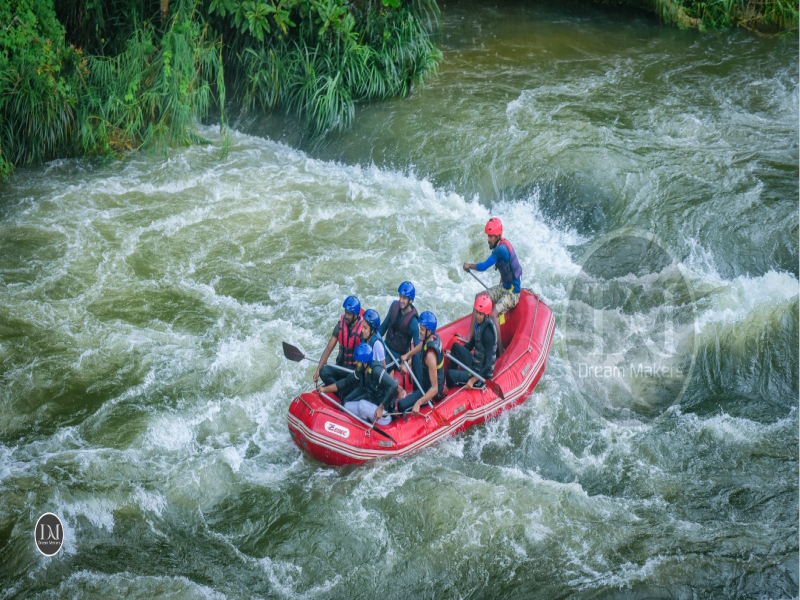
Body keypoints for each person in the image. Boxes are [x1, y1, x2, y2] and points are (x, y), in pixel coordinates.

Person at [462, 217, 522, 355]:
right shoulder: (502, 244)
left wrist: (469, 265)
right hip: (505, 287)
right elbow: (509, 266)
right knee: (479, 297)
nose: (488, 239)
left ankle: (500, 351)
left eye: (491, 236)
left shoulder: (500, 249)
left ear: (498, 236)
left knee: (494, 313)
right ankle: (470, 336)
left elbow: (483, 266)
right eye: (488, 236)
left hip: (513, 293)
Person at [381, 311, 444, 418]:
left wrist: (418, 403)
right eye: (420, 328)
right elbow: (421, 346)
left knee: (401, 405)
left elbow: (435, 388)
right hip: (424, 380)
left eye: (422, 329)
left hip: (429, 391)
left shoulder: (431, 357)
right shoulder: (431, 337)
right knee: (415, 356)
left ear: (429, 331)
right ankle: (415, 393)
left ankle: (418, 399)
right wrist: (408, 355)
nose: (419, 331)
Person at [318, 343, 399, 426]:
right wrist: (324, 389)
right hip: (372, 404)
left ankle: (365, 426)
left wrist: (381, 408)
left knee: (362, 405)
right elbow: (345, 382)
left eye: (358, 362)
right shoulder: (361, 371)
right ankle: (359, 426)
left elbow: (393, 385)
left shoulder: (376, 371)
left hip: (383, 414)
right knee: (346, 406)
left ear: (365, 363)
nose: (356, 362)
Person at [447, 294, 497, 389]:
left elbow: (488, 365)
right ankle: (450, 382)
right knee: (455, 347)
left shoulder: (488, 334)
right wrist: (454, 355)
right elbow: (470, 345)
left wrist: (473, 379)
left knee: (450, 374)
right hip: (474, 363)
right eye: (477, 312)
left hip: (480, 373)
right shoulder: (480, 324)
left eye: (480, 314)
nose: (477, 316)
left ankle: (449, 388)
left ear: (486, 314)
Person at [313, 295, 363, 386]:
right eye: (346, 312)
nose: (346, 316)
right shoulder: (340, 326)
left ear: (356, 315)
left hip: (353, 371)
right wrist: (318, 370)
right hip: (340, 367)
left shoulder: (362, 331)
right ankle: (340, 391)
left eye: (349, 314)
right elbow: (328, 350)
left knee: (358, 380)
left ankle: (340, 388)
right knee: (324, 371)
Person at [379, 281, 421, 382]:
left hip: (397, 356)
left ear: (410, 300)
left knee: (378, 368)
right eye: (400, 297)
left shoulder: (413, 323)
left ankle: (392, 380)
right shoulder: (394, 305)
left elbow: (418, 349)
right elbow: (384, 326)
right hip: (384, 346)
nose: (401, 300)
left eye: (404, 298)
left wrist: (407, 363)